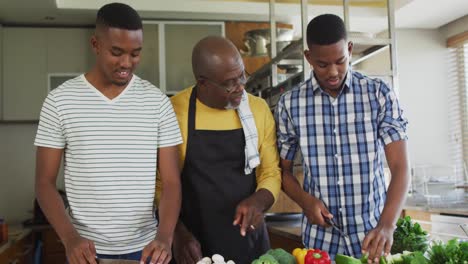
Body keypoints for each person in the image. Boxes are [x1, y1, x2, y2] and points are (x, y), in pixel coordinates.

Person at [34, 3, 182, 264]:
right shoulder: (60, 101)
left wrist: (165, 236)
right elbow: (44, 183)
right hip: (86, 252)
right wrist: (70, 239)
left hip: (146, 250)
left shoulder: (158, 103)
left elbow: (171, 182)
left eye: (135, 54)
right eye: (117, 52)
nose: (126, 63)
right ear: (95, 44)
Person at [275, 14, 410, 263]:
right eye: (322, 65)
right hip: (319, 245)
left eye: (340, 61)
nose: (333, 72)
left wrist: (387, 225)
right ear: (308, 58)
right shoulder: (290, 104)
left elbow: (400, 167)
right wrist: (305, 201)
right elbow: (282, 172)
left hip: (372, 240)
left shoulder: (379, 94)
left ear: (350, 49)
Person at [165, 36, 281, 263]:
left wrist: (260, 200)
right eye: (230, 83)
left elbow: (271, 172)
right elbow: (163, 184)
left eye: (242, 76)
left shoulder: (258, 109)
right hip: (192, 244)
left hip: (248, 240)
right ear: (203, 83)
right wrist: (176, 233)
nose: (241, 88)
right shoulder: (175, 112)